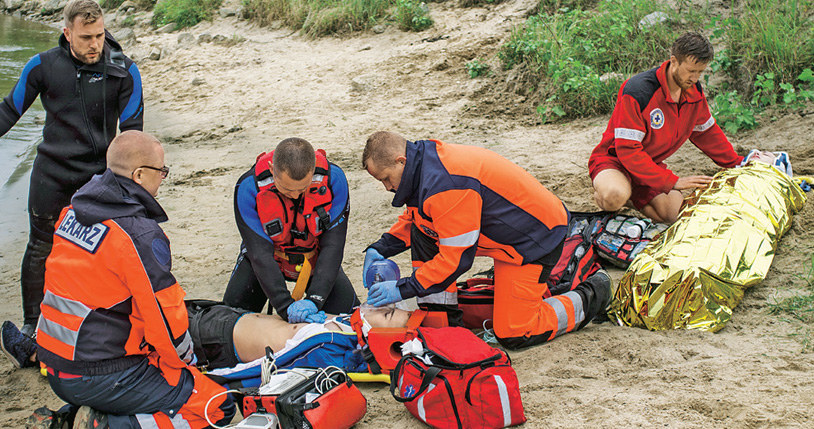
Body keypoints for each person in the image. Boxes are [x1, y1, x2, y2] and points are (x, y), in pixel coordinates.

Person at [33, 131, 234, 428]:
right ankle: (104, 425)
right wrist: (188, 364)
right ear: (139, 175)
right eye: (162, 171)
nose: (163, 178)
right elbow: (163, 317)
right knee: (217, 407)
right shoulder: (136, 234)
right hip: (100, 371)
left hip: (53, 361)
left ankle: (75, 415)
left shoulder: (73, 212)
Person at [361, 131, 611, 350]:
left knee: (515, 331)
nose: (386, 187)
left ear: (400, 161)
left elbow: (457, 259)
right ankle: (442, 319)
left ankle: (593, 294)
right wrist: (381, 248)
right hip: (504, 235)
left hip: (534, 240)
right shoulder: (423, 165)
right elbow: (419, 217)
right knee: (423, 233)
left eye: (385, 178)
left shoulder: (446, 185)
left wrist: (403, 288)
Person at [0, 0, 144, 337]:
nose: (95, 44)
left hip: (98, 176)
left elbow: (133, 134)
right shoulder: (43, 66)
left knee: (107, 248)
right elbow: (8, 111)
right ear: (67, 34)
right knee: (40, 247)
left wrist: (133, 183)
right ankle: (33, 325)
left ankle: (102, 320)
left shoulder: (124, 69)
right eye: (86, 37)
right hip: (52, 173)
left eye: (99, 35)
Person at [589, 32, 743, 224]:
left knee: (675, 215)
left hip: (649, 166)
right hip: (616, 161)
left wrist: (736, 162)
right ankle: (612, 189)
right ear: (674, 61)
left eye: (700, 72)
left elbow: (706, 132)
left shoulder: (693, 91)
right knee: (614, 197)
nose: (695, 78)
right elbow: (627, 150)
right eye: (690, 71)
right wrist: (671, 182)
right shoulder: (638, 91)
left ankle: (632, 196)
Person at [3, 302, 411, 372]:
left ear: (377, 333)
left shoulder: (337, 348)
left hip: (213, 343)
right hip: (223, 319)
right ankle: (43, 343)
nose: (381, 305)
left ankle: (36, 352)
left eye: (388, 312)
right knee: (134, 321)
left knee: (129, 337)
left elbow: (270, 370)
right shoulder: (342, 326)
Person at [223, 137, 359, 324]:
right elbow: (259, 253)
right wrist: (285, 307)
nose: (295, 195)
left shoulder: (333, 179)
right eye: (287, 190)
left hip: (316, 257)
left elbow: (334, 244)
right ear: (272, 170)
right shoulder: (248, 187)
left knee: (352, 321)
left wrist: (315, 299)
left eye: (302, 189)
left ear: (312, 172)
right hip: (267, 259)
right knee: (227, 321)